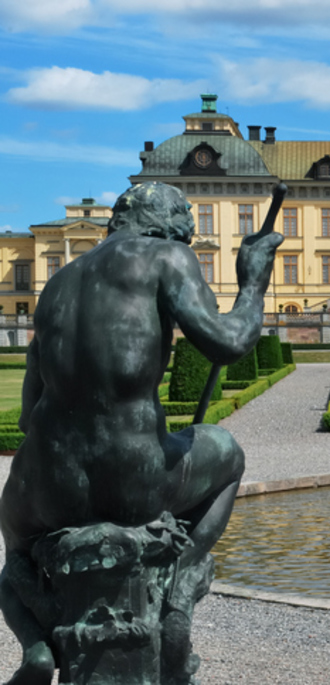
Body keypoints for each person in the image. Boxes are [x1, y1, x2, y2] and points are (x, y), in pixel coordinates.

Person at [0, 182, 282, 684]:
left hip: (44, 484)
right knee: (229, 454)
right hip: (133, 481)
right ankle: (179, 584)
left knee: (13, 562)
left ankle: (36, 649)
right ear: (169, 222)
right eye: (188, 223)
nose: (191, 235)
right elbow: (228, 342)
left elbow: (27, 415)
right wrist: (252, 281)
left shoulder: (58, 283)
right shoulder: (166, 257)